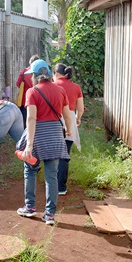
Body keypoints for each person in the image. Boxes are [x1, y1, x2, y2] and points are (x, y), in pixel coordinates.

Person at [16, 59, 74, 225]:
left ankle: (30, 207)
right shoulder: (60, 90)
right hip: (55, 134)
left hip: (38, 134)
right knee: (52, 176)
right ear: (48, 74)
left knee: (30, 169)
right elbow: (67, 115)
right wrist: (68, 130)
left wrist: (29, 145)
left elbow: (31, 118)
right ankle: (49, 215)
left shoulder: (32, 92)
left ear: (34, 76)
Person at [53, 63, 84, 195]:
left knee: (53, 153)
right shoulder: (76, 87)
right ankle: (61, 187)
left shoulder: (53, 86)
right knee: (65, 155)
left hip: (54, 119)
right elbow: (80, 108)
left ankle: (51, 183)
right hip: (69, 118)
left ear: (55, 74)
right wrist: (78, 118)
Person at [15, 55, 40, 125]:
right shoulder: (41, 72)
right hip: (38, 100)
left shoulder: (24, 72)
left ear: (30, 62)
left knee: (26, 122)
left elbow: (18, 84)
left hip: (25, 101)